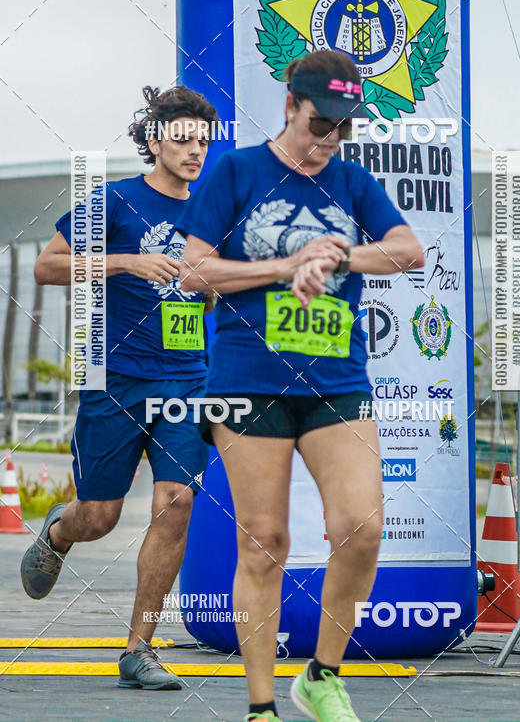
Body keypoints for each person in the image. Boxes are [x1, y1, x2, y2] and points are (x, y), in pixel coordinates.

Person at [177, 49, 425, 722]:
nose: (327, 142)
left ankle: (321, 674)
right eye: (319, 124)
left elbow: (408, 250)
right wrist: (285, 266)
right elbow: (194, 272)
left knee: (363, 528)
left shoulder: (350, 181)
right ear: (290, 106)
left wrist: (339, 253)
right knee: (264, 541)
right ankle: (262, 709)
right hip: (248, 380)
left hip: (335, 379)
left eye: (342, 129)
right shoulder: (237, 170)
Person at [20, 85, 217, 690]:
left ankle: (140, 648)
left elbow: (221, 284)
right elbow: (47, 267)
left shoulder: (214, 209)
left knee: (175, 505)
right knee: (100, 516)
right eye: (182, 139)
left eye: (203, 142)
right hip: (114, 377)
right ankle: (60, 529)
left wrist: (210, 286)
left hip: (187, 378)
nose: (194, 152)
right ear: (154, 141)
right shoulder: (114, 201)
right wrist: (125, 262)